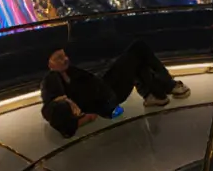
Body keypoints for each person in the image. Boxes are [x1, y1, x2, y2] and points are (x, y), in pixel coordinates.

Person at [40, 39, 191, 137]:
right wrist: (84, 119)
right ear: (50, 65)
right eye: (58, 58)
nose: (65, 59)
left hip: (105, 87)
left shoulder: (69, 72)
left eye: (64, 55)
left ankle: (154, 94)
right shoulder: (51, 82)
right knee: (138, 50)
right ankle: (166, 87)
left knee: (136, 56)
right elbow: (51, 111)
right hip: (107, 97)